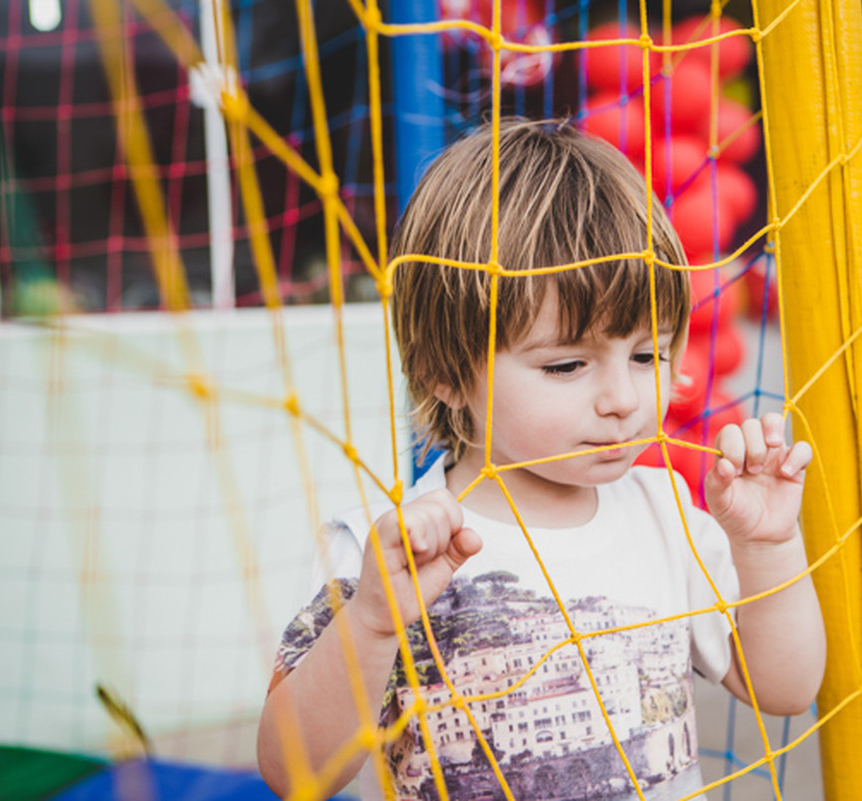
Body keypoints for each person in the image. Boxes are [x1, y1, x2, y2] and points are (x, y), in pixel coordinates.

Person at [256, 118, 826, 801]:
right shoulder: (390, 550)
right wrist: (374, 621)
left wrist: (768, 545)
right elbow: (293, 772)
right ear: (445, 370)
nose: (622, 398)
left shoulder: (666, 510)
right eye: (567, 364)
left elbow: (785, 688)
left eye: (648, 354)